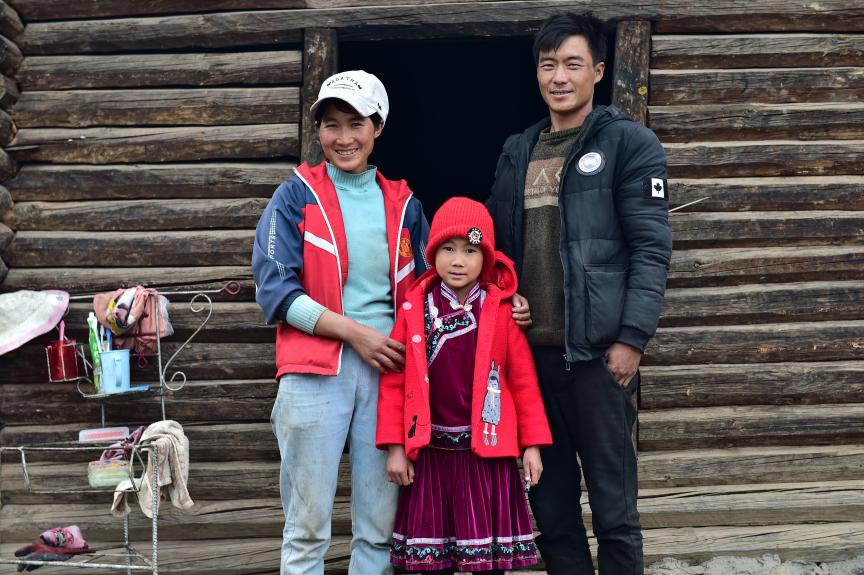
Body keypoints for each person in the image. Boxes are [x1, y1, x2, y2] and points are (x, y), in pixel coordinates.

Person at [485, 13, 673, 575]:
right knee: (553, 509)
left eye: (572, 64)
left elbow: (651, 248)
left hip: (598, 357)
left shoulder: (629, 144)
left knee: (615, 509)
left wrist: (633, 339)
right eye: (548, 65)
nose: (559, 77)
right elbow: (495, 251)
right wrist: (505, 293)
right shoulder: (518, 150)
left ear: (598, 70)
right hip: (531, 361)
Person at [252, 70, 430, 575]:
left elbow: (426, 289)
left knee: (379, 526)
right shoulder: (295, 197)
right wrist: (354, 333)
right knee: (307, 526)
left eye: (356, 123)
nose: (344, 138)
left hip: (389, 373)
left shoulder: (405, 205)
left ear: (378, 127)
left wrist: (505, 299)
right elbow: (276, 290)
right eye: (332, 125)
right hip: (314, 371)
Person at [376, 197, 553, 574]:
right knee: (431, 562)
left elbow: (523, 383)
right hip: (431, 456)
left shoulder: (500, 310)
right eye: (448, 249)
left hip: (485, 456)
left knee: (486, 563)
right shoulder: (415, 311)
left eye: (470, 251)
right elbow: (394, 383)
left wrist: (532, 446)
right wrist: (395, 447)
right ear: (432, 253)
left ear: (485, 258)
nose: (458, 260)